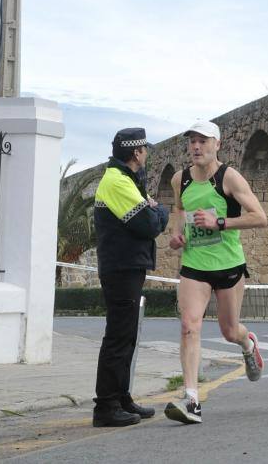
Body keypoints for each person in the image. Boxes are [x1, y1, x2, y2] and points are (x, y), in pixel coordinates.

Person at [164, 120, 268, 424]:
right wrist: (177, 234)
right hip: (194, 264)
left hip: (228, 265)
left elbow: (260, 217)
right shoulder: (179, 179)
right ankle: (192, 399)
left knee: (228, 331)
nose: (196, 147)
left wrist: (220, 223)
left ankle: (248, 343)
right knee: (189, 325)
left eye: (203, 141)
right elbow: (180, 211)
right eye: (192, 141)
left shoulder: (230, 178)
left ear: (217, 145)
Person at [93, 128, 169, 427]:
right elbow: (149, 224)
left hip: (126, 266)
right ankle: (106, 406)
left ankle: (121, 397)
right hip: (120, 267)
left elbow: (151, 216)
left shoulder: (125, 180)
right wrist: (159, 210)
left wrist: (155, 209)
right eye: (145, 150)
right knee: (118, 336)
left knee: (127, 335)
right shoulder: (117, 182)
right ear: (136, 152)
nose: (147, 154)